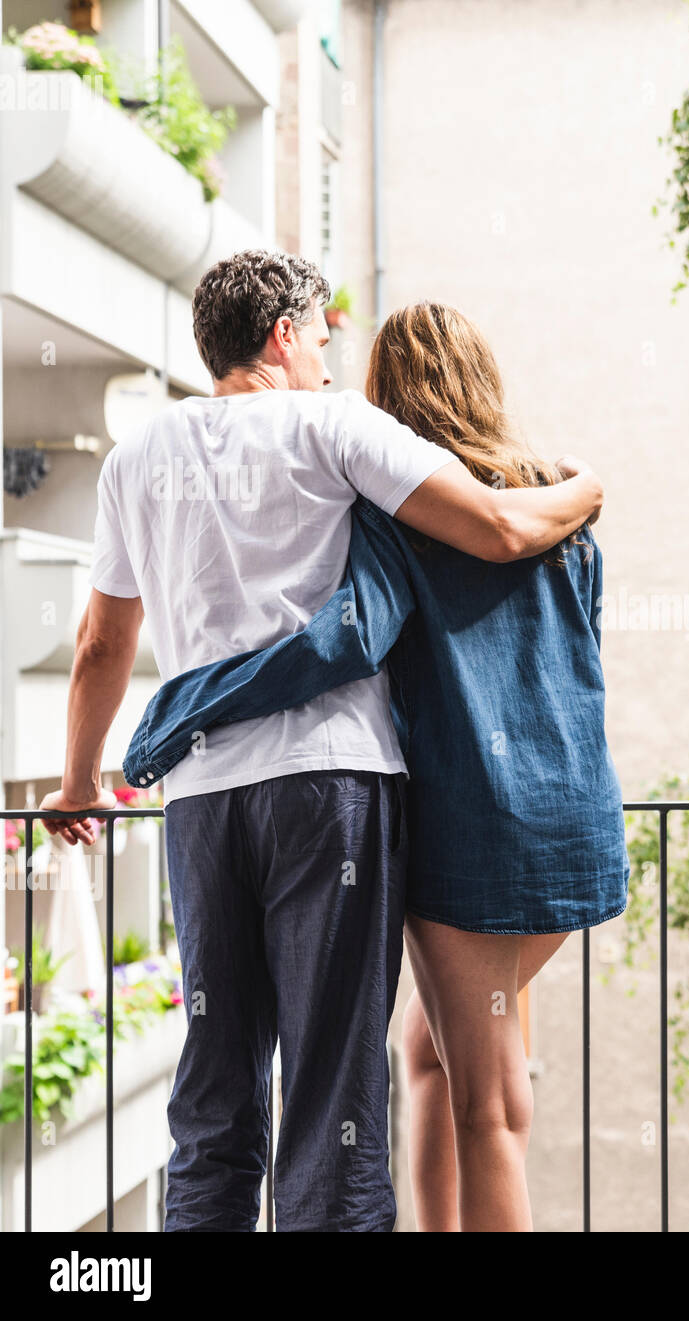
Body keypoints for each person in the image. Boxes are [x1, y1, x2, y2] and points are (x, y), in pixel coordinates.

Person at [40, 251, 604, 1233]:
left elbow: (100, 645)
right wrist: (587, 485)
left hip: (205, 800)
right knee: (333, 1084)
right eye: (322, 341)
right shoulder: (336, 427)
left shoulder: (137, 456)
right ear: (282, 335)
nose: (333, 366)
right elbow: (496, 527)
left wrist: (78, 781)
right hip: (334, 789)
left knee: (214, 1080)